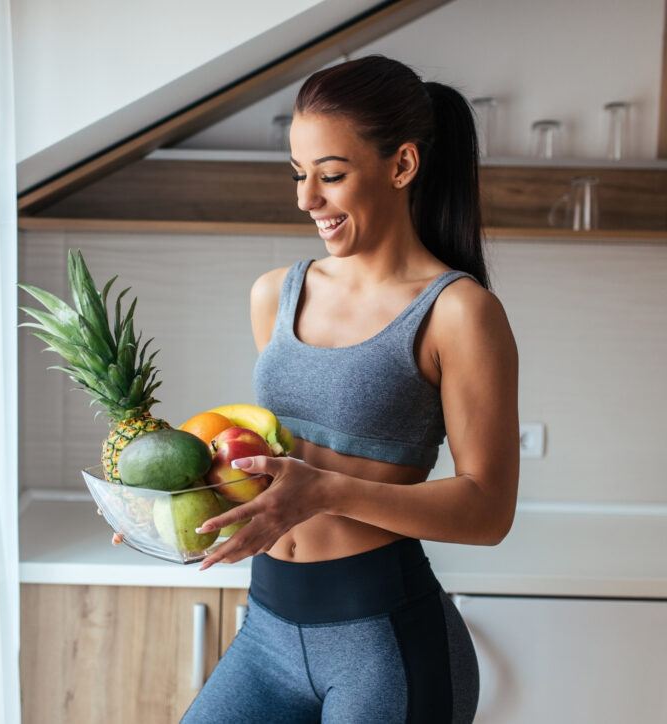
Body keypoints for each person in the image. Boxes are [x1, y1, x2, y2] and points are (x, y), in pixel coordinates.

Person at [178, 55, 520, 723]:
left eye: (331, 176)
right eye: (300, 174)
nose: (307, 199)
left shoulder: (458, 312)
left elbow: (489, 511)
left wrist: (329, 491)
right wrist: (163, 503)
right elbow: (275, 463)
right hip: (267, 632)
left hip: (385, 648)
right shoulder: (275, 293)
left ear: (402, 166)